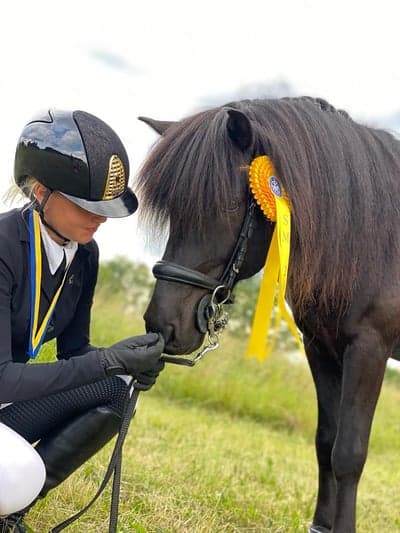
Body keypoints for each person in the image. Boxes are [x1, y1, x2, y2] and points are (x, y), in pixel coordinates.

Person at [0, 109, 165, 532]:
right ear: (40, 192)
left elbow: (76, 352)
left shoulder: (85, 254)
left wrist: (130, 364)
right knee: (17, 474)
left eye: (106, 206)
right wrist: (108, 360)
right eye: (84, 205)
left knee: (117, 388)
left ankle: (11, 516)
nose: (101, 218)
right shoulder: (3, 246)